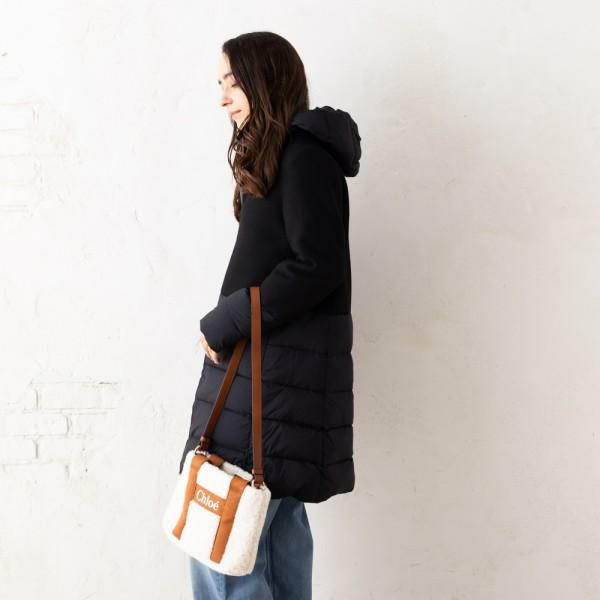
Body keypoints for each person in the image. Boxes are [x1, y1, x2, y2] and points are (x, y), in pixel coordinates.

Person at [179, 31, 362, 599]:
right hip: (269, 383)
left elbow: (316, 266)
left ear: (265, 81)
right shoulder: (285, 156)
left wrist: (225, 320)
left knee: (221, 541)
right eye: (220, 84)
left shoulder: (302, 157)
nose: (223, 98)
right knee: (272, 533)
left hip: (269, 387)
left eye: (233, 83)